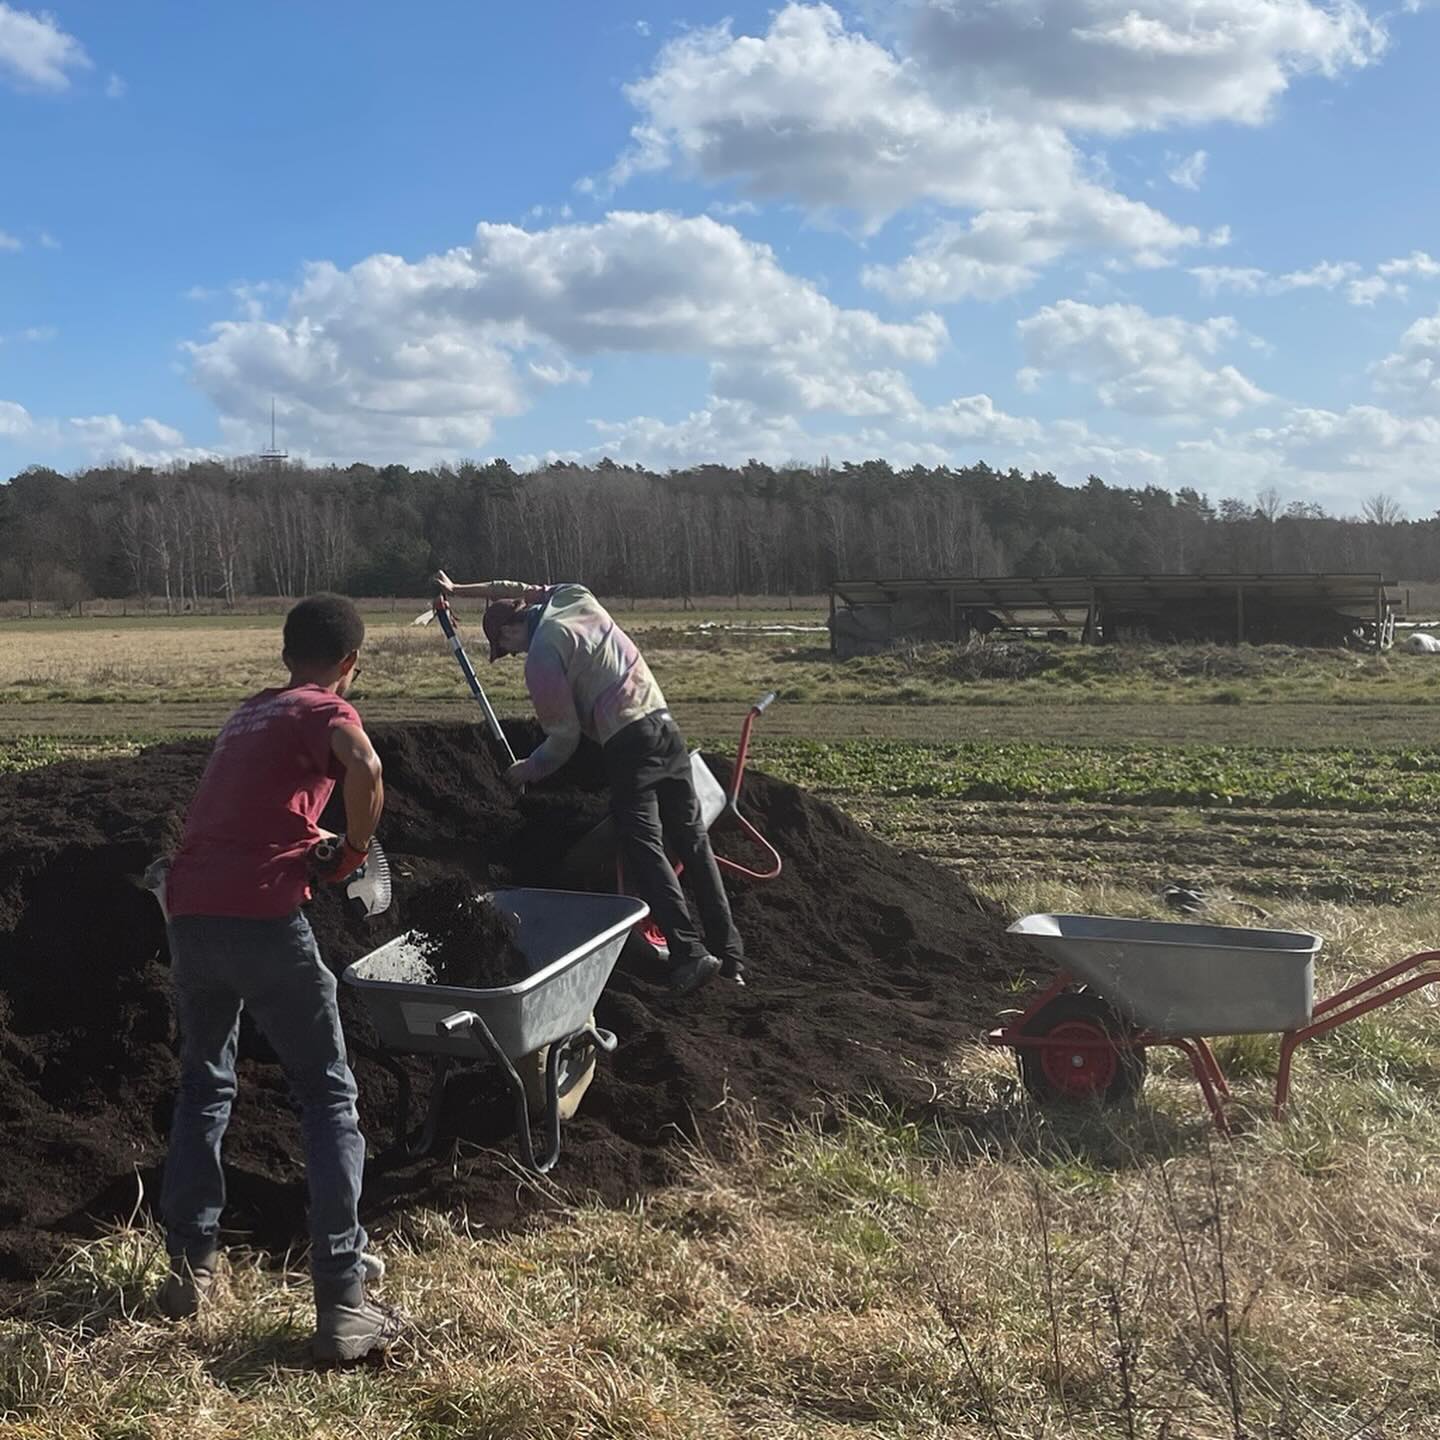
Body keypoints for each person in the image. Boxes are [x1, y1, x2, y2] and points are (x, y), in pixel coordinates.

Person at [155, 594, 398, 1366]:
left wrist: (315, 839)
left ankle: (189, 1264)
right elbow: (364, 764)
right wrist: (356, 847)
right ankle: (343, 1297)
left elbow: (252, 814)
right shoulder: (326, 709)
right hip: (263, 917)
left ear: (283, 651)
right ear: (350, 663)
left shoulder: (249, 715)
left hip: (191, 912)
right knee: (327, 1093)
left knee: (205, 1084)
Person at [434, 570, 745, 995]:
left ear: (510, 628)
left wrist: (527, 769)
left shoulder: (543, 653)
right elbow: (514, 588)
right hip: (665, 726)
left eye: (502, 647)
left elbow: (564, 738)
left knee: (644, 846)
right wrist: (458, 590)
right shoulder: (574, 597)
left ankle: (689, 954)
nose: (508, 653)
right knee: (693, 842)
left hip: (628, 743)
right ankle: (731, 956)